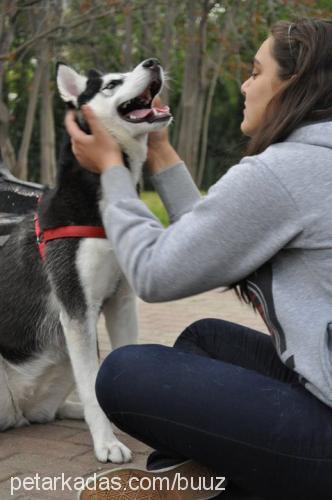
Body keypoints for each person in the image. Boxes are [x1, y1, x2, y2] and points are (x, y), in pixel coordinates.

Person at [65, 18, 332, 500]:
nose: (245, 85)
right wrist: (160, 151)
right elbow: (213, 244)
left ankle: (207, 485)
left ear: (295, 84)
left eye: (255, 72)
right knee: (203, 337)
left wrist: (111, 170)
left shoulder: (287, 171)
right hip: (320, 378)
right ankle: (198, 477)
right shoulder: (316, 159)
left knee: (126, 372)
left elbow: (153, 272)